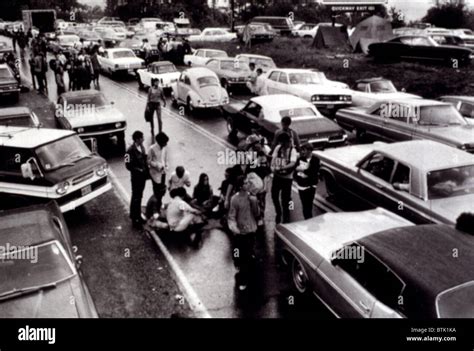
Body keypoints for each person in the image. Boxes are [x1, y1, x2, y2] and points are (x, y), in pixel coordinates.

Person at [228, 175, 260, 291]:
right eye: (246, 183)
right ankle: (242, 273)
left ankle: (244, 279)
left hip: (250, 230)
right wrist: (234, 228)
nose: (248, 184)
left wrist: (254, 201)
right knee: (240, 255)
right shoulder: (234, 199)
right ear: (241, 186)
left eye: (248, 182)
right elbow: (231, 216)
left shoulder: (252, 198)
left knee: (246, 256)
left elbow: (256, 214)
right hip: (240, 232)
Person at [271, 132, 297, 224]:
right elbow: (273, 159)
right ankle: (278, 212)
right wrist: (273, 167)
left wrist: (282, 167)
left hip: (287, 178)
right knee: (274, 195)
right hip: (277, 176)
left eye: (283, 143)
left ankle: (286, 217)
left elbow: (292, 163)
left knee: (285, 199)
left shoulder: (292, 150)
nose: (282, 145)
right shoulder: (278, 148)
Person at [125, 131, 149, 229]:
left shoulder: (142, 147)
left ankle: (138, 215)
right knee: (135, 197)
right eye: (142, 138)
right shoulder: (129, 151)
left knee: (139, 197)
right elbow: (127, 165)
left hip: (142, 177)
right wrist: (138, 170)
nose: (143, 139)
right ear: (137, 139)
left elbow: (144, 159)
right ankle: (134, 219)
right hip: (136, 178)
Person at [294, 143, 320, 220]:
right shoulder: (300, 159)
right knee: (304, 204)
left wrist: (301, 169)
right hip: (302, 185)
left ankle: (309, 219)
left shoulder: (315, 160)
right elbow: (295, 171)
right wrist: (303, 172)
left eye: (304, 150)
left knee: (309, 204)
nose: (302, 152)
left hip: (311, 186)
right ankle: (307, 219)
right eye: (302, 150)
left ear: (309, 151)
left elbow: (313, 172)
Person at [148, 132, 169, 216]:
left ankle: (159, 205)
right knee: (157, 192)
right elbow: (148, 161)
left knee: (162, 191)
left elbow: (165, 158)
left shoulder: (164, 148)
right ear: (160, 142)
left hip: (163, 172)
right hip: (155, 174)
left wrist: (166, 165)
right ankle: (155, 209)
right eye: (165, 142)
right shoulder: (152, 149)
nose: (166, 144)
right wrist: (157, 165)